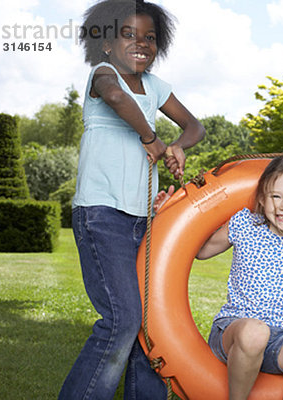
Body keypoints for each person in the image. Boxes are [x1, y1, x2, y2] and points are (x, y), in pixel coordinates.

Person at [59, 0, 205, 399]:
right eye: (128, 35)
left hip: (145, 219)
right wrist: (150, 137)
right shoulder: (103, 74)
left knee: (151, 323)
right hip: (102, 214)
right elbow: (118, 99)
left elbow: (195, 125)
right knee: (123, 320)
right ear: (106, 42)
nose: (141, 43)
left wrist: (176, 145)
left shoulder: (155, 86)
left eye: (150, 37)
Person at [154, 155, 283, 400]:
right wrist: (171, 213)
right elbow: (200, 250)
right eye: (276, 196)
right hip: (236, 330)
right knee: (255, 332)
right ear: (262, 199)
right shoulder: (245, 224)